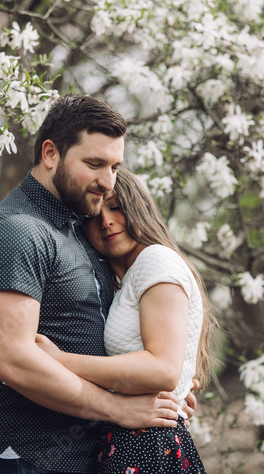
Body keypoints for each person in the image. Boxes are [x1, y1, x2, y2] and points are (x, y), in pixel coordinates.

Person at [0, 95, 197, 474]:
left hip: (87, 457)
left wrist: (162, 394)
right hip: (23, 460)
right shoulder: (16, 232)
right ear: (50, 153)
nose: (107, 182)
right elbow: (13, 362)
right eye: (94, 164)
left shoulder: (79, 231)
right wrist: (121, 408)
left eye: (115, 166)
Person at [36, 166, 216, 473]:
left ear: (138, 208)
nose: (106, 221)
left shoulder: (155, 260)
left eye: (117, 207)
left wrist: (59, 360)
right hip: (135, 439)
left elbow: (162, 370)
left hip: (147, 445)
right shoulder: (127, 281)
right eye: (94, 215)